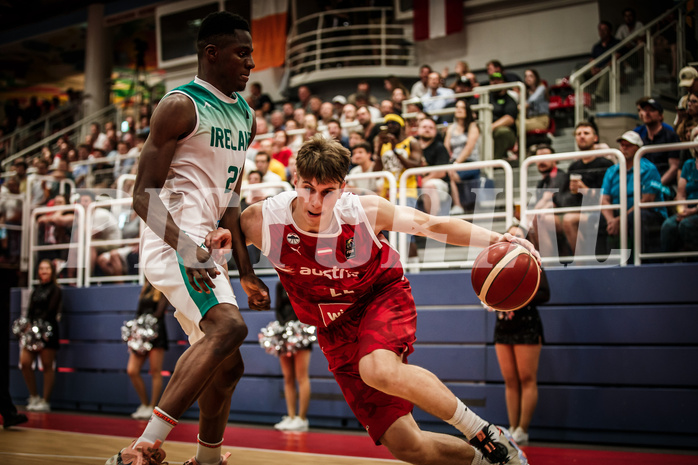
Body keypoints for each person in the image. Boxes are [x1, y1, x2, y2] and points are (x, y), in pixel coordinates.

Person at [226, 134, 534, 465]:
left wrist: (497, 238)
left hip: (380, 297)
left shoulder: (363, 210)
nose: (315, 201)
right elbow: (219, 241)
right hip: (334, 329)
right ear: (295, 181)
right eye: (307, 189)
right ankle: (493, 458)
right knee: (408, 446)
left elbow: (431, 225)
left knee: (377, 369)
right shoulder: (262, 220)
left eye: (327, 191)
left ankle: (483, 431)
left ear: (343, 187)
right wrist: (245, 273)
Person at [107, 12, 270, 465]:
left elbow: (232, 200)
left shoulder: (246, 115)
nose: (251, 63)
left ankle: (208, 459)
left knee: (228, 364)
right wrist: (186, 248)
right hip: (171, 242)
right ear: (211, 53)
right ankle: (142, 447)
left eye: (252, 53)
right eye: (242, 53)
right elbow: (142, 194)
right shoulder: (180, 104)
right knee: (229, 328)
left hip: (206, 247)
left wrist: (247, 272)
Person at [492, 223, 549, 446]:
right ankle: (512, 427)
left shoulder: (533, 263)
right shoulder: (496, 264)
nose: (514, 238)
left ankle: (523, 429)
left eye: (519, 235)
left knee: (526, 378)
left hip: (526, 325)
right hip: (504, 326)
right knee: (510, 381)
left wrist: (516, 293)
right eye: (511, 235)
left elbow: (545, 294)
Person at [601, 131, 667, 255]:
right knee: (595, 219)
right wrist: (611, 220)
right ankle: (603, 267)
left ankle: (641, 262)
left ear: (638, 149)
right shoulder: (612, 171)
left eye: (628, 145)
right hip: (618, 214)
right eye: (622, 145)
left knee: (635, 217)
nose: (624, 148)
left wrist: (620, 220)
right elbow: (604, 199)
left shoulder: (649, 169)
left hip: (649, 213)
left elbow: (647, 200)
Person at [558, 122, 613, 256]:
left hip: (599, 212)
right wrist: (571, 192)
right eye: (578, 134)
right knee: (543, 220)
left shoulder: (606, 164)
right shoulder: (573, 166)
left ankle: (580, 265)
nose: (582, 136)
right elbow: (564, 196)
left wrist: (584, 189)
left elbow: (607, 197)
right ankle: (545, 268)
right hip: (577, 209)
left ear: (595, 138)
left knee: (568, 219)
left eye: (586, 133)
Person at [20, 259, 62, 413]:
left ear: (52, 271)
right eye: (41, 268)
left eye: (47, 268)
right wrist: (28, 326)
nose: (44, 271)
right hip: (32, 332)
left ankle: (46, 400)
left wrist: (39, 326)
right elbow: (30, 310)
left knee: (47, 365)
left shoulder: (56, 290)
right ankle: (34, 396)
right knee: (25, 362)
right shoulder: (36, 289)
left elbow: (51, 311)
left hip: (48, 331)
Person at [271, 281, 312, 432]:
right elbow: (278, 307)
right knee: (288, 376)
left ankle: (302, 418)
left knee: (301, 376)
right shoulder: (279, 284)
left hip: (300, 330)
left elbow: (305, 306)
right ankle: (291, 416)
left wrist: (294, 325)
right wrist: (283, 327)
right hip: (284, 332)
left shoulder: (302, 281)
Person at [128, 280, 170, 420]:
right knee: (132, 370)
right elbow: (138, 312)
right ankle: (144, 404)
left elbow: (160, 312)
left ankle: (153, 407)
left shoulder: (162, 286)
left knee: (155, 371)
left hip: (156, 332)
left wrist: (148, 325)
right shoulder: (145, 287)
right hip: (141, 333)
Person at [661, 126, 698, 255]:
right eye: (696, 136)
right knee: (668, 226)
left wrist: (692, 211)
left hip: (695, 211)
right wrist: (682, 210)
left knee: (686, 225)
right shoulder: (689, 164)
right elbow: (681, 193)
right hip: (688, 209)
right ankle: (666, 265)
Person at [633, 97, 680, 188]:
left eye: (651, 110)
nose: (647, 113)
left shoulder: (670, 136)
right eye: (644, 110)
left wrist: (657, 185)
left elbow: (674, 167)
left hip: (665, 186)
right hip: (644, 185)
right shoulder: (641, 138)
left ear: (660, 115)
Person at [444, 98, 481, 215]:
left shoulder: (472, 126)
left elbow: (469, 147)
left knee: (452, 173)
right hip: (454, 163)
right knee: (449, 172)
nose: (459, 110)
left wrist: (457, 163)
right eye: (457, 107)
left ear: (467, 110)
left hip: (471, 162)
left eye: (462, 107)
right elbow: (446, 146)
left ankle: (458, 205)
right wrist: (450, 162)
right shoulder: (451, 128)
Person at [488, 72, 518, 161]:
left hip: (507, 133)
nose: (495, 82)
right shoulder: (486, 97)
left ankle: (494, 161)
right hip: (486, 130)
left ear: (504, 83)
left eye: (498, 80)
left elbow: (509, 119)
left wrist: (491, 127)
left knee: (501, 132)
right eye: (493, 80)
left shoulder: (509, 100)